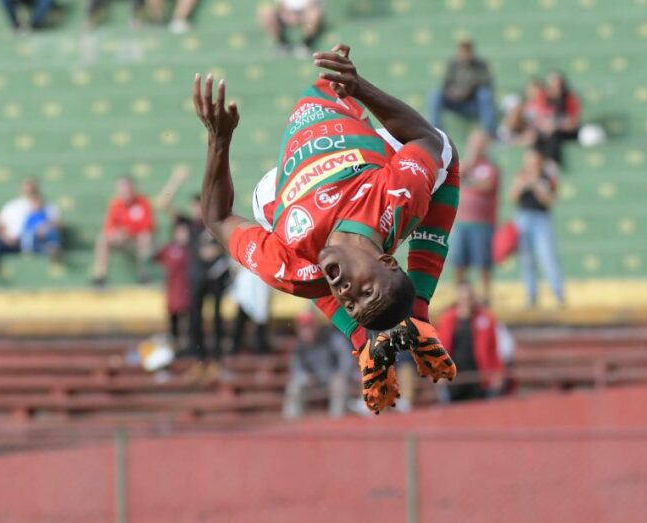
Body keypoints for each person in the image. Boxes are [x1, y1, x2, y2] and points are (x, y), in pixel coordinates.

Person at [193, 44, 460, 414]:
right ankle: (416, 314)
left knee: (303, 271)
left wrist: (218, 142)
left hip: (278, 194)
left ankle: (364, 344)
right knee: (442, 147)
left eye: (351, 303)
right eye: (365, 290)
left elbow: (217, 219)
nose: (348, 292)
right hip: (362, 143)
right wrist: (359, 87)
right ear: (389, 261)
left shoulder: (291, 264)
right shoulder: (396, 196)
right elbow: (425, 140)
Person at [155, 170, 231, 365]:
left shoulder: (214, 224)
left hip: (215, 277)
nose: (196, 210)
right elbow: (163, 203)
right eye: (194, 206)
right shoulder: (188, 224)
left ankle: (217, 353)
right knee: (195, 316)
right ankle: (198, 352)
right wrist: (176, 180)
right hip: (196, 276)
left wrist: (218, 252)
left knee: (216, 315)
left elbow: (229, 245)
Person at [0, 177, 61, 289]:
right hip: (12, 241)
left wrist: (45, 228)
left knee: (35, 241)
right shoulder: (12, 206)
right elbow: (1, 226)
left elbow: (57, 224)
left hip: (35, 239)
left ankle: (49, 251)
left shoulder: (46, 206)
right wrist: (6, 238)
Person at [448, 130, 499, 303]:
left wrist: (470, 180)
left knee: (483, 263)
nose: (476, 147)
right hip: (463, 222)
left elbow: (487, 186)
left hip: (482, 223)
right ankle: (460, 296)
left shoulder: (490, 167)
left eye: (479, 144)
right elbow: (457, 175)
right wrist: (470, 162)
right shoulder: (466, 164)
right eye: (473, 143)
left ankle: (485, 296)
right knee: (459, 263)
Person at [511, 148, 564, 308]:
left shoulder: (548, 178)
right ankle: (531, 296)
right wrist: (524, 185)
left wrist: (537, 186)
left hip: (541, 218)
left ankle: (558, 294)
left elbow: (550, 201)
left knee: (547, 257)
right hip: (523, 217)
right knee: (527, 259)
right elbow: (513, 197)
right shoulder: (521, 175)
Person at [436, 283, 506, 403]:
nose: (465, 303)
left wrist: (498, 371)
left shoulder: (485, 319)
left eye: (468, 299)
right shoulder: (447, 319)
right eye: (462, 299)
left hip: (479, 376)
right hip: (454, 377)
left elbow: (493, 349)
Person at [282, 311, 355, 419]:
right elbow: (297, 368)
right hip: (314, 381)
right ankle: (291, 421)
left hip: (333, 378)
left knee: (339, 384)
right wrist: (305, 377)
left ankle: (337, 420)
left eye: (309, 327)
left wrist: (341, 373)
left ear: (316, 326)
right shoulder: (300, 347)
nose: (306, 331)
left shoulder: (331, 338)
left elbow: (346, 357)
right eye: (302, 328)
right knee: (294, 386)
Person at [501, 73, 581, 166]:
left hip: (562, 133)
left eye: (558, 86)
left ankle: (550, 163)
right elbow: (539, 120)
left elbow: (572, 124)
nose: (555, 90)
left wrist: (554, 126)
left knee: (549, 136)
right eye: (552, 86)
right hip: (539, 132)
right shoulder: (541, 101)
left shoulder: (569, 99)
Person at [92, 176, 156, 287]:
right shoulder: (115, 204)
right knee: (102, 239)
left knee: (145, 237)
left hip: (136, 240)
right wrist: (117, 234)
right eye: (122, 190)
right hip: (120, 240)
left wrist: (129, 232)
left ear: (133, 189)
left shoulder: (143, 203)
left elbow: (149, 226)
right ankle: (100, 276)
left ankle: (144, 274)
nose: (125, 193)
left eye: (127, 190)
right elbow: (108, 227)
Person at [428, 39, 496, 137]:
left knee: (484, 94)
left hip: (473, 104)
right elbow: (445, 84)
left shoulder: (480, 65)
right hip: (455, 102)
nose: (464, 55)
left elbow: (486, 82)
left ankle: (488, 131)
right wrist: (454, 93)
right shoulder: (453, 65)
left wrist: (468, 90)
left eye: (467, 52)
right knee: (436, 94)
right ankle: (436, 132)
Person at [152, 217, 191, 353]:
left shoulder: (192, 249)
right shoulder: (169, 249)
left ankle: (187, 347)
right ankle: (175, 348)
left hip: (189, 293)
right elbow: (152, 257)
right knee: (174, 323)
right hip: (174, 293)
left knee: (188, 322)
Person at [259, 0, 324, 58]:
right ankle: (282, 44)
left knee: (315, 14)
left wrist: (299, 15)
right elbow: (280, 6)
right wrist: (288, 14)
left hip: (305, 14)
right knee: (266, 13)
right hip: (286, 14)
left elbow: (312, 6)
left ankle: (306, 45)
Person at [230, 269, 273, 355]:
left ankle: (261, 347)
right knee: (241, 320)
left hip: (260, 280)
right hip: (247, 284)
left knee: (260, 318)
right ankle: (236, 347)